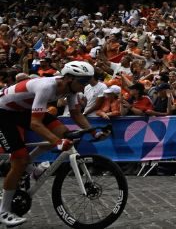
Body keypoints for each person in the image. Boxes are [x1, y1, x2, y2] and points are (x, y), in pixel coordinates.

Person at [0, 61, 106, 227]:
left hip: (21, 110)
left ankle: (32, 170)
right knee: (20, 159)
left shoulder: (71, 90)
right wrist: (57, 142)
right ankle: (4, 211)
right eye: (83, 82)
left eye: (87, 82)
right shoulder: (46, 87)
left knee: (64, 133)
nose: (85, 86)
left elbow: (76, 114)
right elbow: (36, 124)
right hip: (3, 113)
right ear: (69, 78)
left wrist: (94, 131)